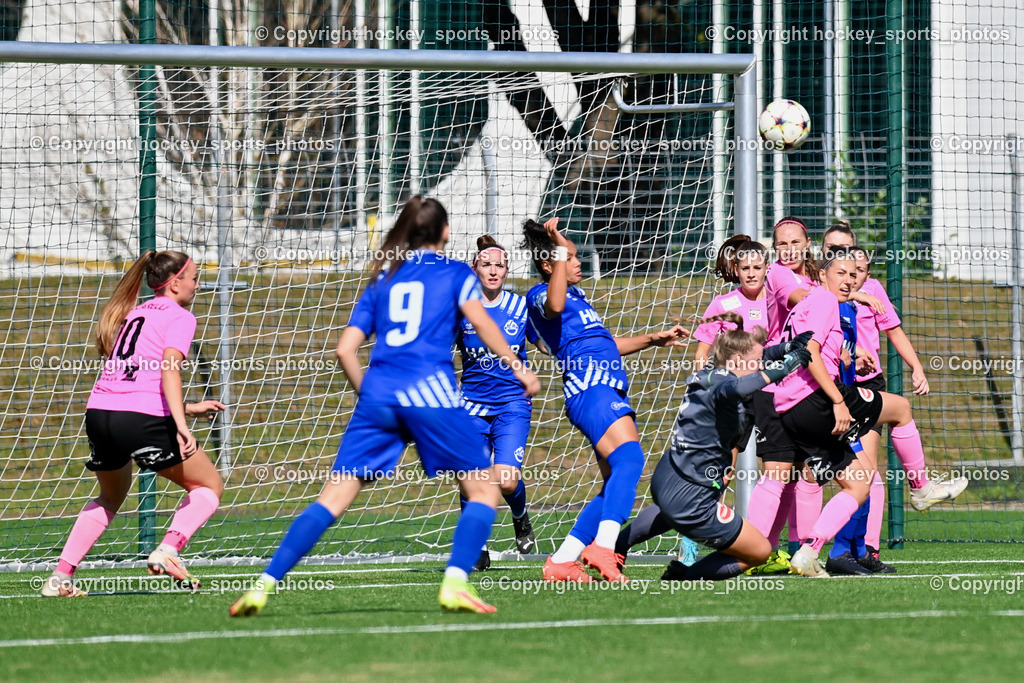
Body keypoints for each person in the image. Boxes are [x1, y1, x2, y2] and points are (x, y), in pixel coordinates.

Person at [230, 197, 540, 616]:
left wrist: (371, 398)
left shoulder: (383, 278)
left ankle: (263, 585)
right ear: (445, 234)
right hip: (430, 393)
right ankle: (454, 583)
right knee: (484, 489)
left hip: (378, 395)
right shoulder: (454, 274)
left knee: (332, 499)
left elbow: (345, 351)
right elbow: (483, 325)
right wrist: (519, 367)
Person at [769, 248, 967, 577]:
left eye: (853, 274)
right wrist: (836, 399)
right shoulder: (824, 301)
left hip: (790, 408)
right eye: (840, 273)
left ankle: (808, 551)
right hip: (816, 399)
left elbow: (797, 347)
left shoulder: (807, 305)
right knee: (901, 407)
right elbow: (809, 352)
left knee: (859, 483)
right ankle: (921, 489)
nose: (848, 280)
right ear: (821, 276)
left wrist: (846, 357)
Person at [42, 250, 226, 597]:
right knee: (209, 486)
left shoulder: (134, 313)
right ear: (174, 284)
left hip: (99, 414)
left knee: (110, 498)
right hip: (140, 419)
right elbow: (168, 368)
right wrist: (181, 425)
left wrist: (185, 408)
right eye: (194, 278)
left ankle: (60, 577)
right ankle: (168, 550)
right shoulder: (181, 316)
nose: (198, 285)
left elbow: (133, 383)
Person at [521, 217, 688, 583]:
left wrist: (652, 339)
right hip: (590, 386)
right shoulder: (541, 294)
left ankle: (563, 561)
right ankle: (603, 546)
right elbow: (554, 300)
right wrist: (560, 256)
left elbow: (607, 345)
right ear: (549, 265)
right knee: (631, 458)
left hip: (605, 385)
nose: (577, 262)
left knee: (614, 480)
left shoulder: (577, 297)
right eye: (569, 258)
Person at [613, 315, 812, 581]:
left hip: (669, 476)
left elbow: (752, 363)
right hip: (690, 495)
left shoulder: (712, 371)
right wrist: (785, 368)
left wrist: (785, 348)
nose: (760, 364)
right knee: (760, 552)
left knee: (672, 513)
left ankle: (617, 544)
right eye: (756, 361)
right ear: (739, 360)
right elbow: (743, 384)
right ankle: (685, 577)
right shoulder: (725, 383)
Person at [682, 235, 770, 567]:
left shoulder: (776, 300)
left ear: (766, 269)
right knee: (724, 469)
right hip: (733, 397)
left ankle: (769, 541)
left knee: (776, 468)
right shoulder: (723, 304)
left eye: (756, 267)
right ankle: (692, 539)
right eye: (744, 267)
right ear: (737, 269)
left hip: (771, 393)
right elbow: (702, 350)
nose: (750, 273)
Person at [455, 235, 537, 571]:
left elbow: (547, 342)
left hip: (511, 405)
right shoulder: (462, 309)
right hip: (470, 406)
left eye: (499, 265)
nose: (493, 271)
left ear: (506, 271)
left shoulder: (520, 307)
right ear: (475, 268)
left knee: (505, 480)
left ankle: (520, 518)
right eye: (486, 264)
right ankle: (477, 546)